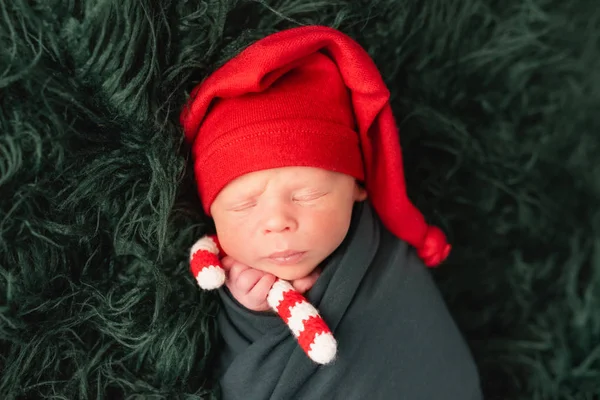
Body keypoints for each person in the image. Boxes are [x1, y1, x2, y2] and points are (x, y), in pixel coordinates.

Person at [181, 25, 483, 400]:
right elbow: (234, 383)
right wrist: (251, 316)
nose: (277, 221)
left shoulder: (385, 264)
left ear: (357, 186)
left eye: (308, 194)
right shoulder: (225, 282)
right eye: (244, 205)